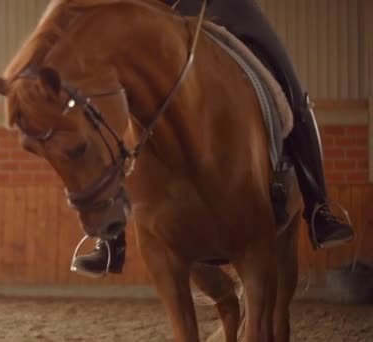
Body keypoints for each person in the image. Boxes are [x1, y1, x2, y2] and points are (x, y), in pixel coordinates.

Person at [71, 0, 355, 276]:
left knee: (291, 89)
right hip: (154, 11)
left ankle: (318, 207)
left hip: (224, 6)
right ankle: (111, 239)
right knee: (109, 101)